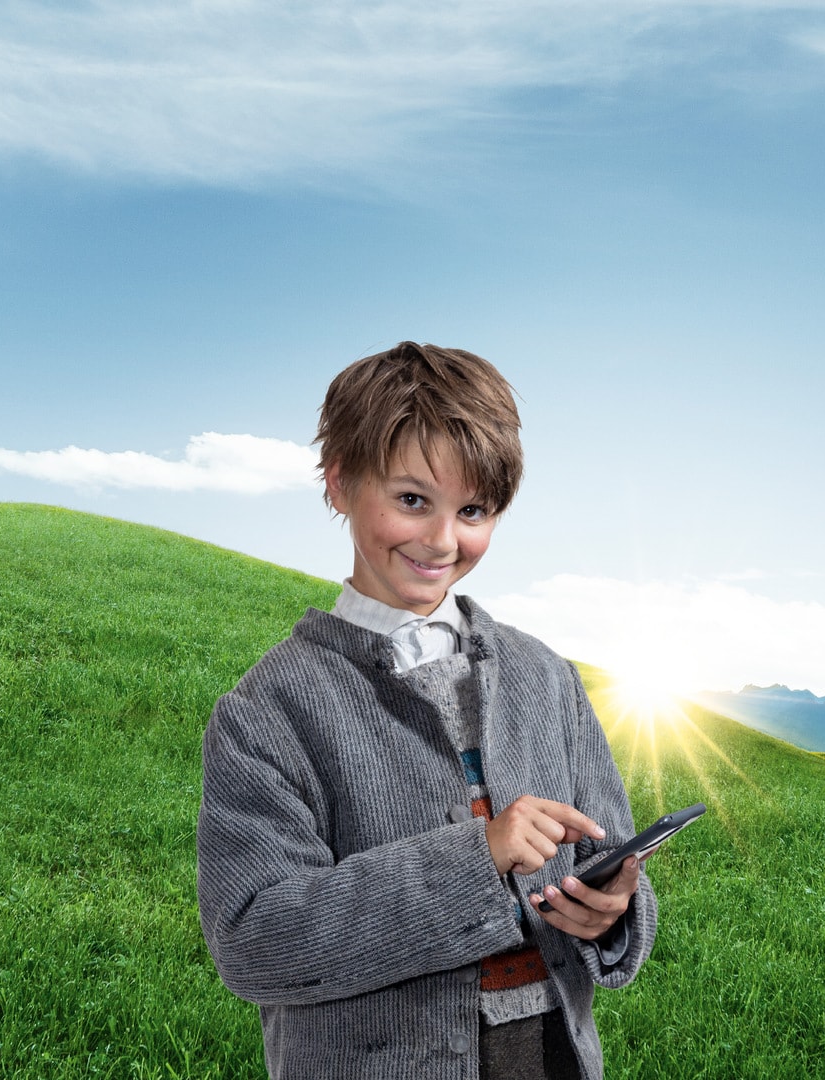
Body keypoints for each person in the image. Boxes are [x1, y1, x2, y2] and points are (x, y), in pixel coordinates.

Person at [197, 342, 656, 1080]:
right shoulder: (267, 712)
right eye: (412, 500)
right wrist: (476, 859)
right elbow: (254, 940)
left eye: (472, 510)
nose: (443, 541)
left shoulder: (548, 678)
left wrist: (613, 911)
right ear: (340, 482)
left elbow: (615, 856)